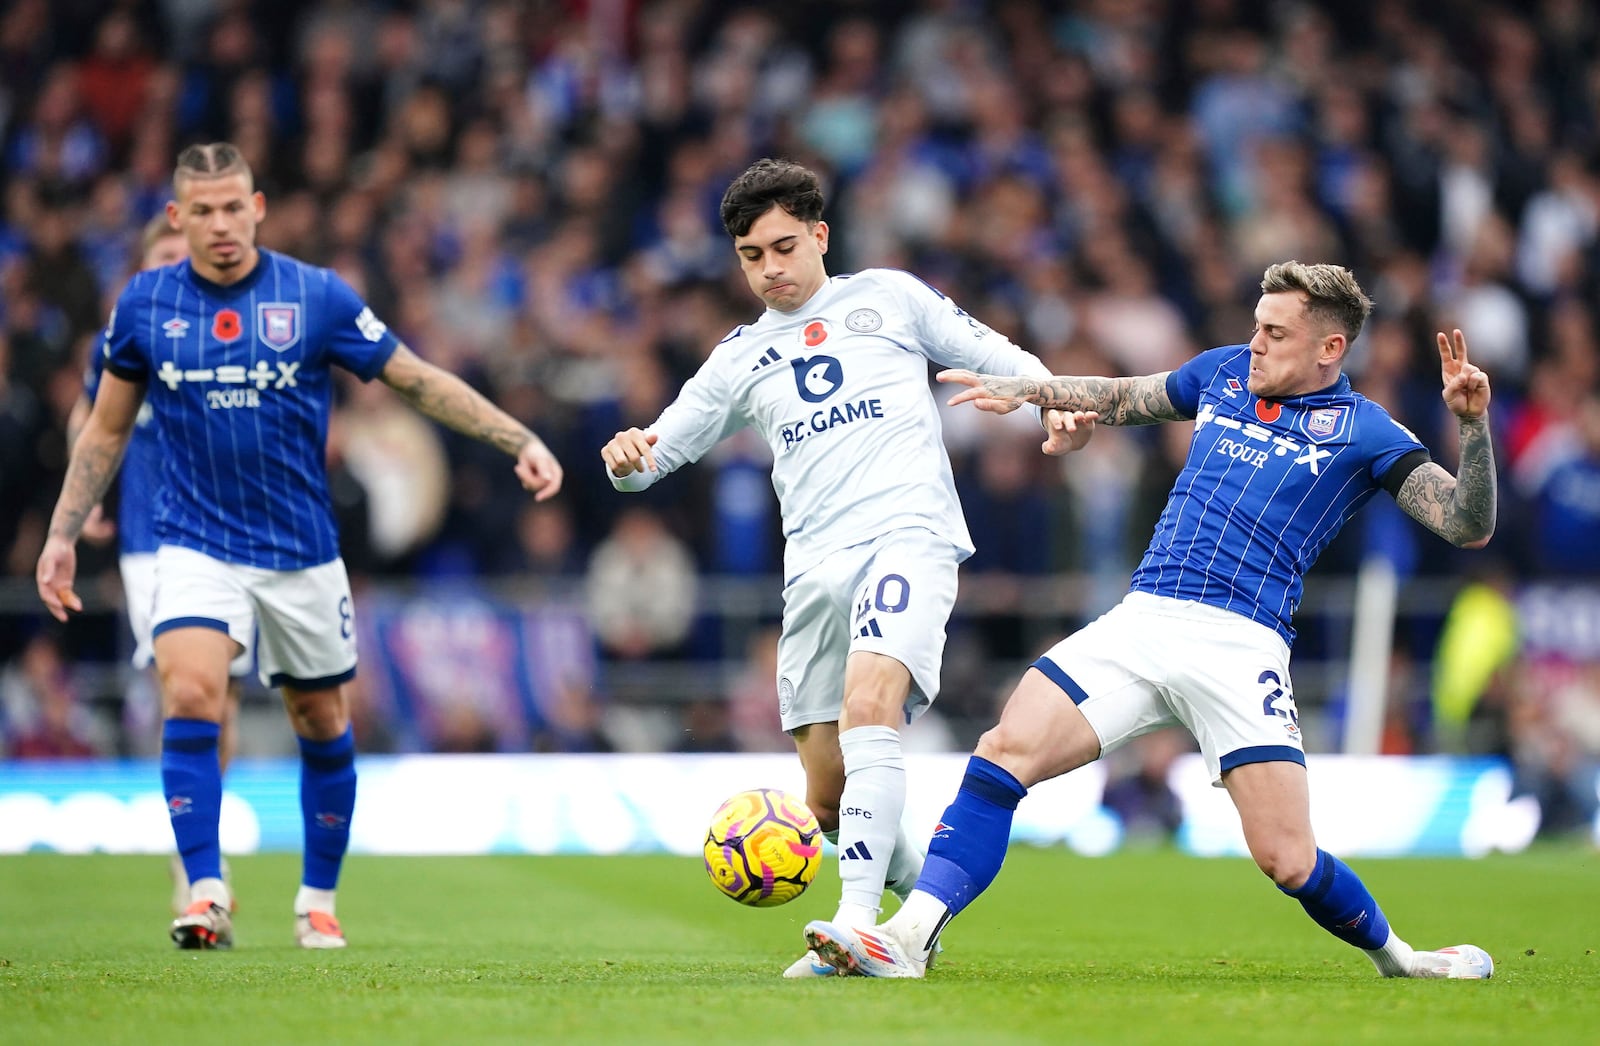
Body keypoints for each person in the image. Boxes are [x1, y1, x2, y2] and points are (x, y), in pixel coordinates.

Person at [803, 261, 1500, 981]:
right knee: (1004, 749)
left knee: (1288, 859)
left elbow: (1465, 523)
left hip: (1241, 642)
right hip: (1146, 616)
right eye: (1256, 327)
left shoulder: (1368, 433)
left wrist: (1473, 427)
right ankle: (909, 937)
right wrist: (1028, 390)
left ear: (1329, 349)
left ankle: (1403, 958)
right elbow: (1120, 397)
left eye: (1274, 332)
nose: (1255, 343)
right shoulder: (1223, 373)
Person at [36, 142, 564, 951]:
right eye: (201, 211)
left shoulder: (312, 296)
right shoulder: (146, 305)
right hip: (194, 542)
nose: (219, 224)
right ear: (178, 217)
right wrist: (63, 533)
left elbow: (414, 377)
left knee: (320, 719)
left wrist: (514, 436)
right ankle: (205, 890)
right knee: (190, 693)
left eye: (232, 207)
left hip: (300, 551)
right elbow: (105, 427)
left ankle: (317, 896)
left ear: (258, 209)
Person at [600, 158, 1093, 978]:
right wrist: (624, 457)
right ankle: (915, 920)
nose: (771, 268)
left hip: (908, 534)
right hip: (815, 570)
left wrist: (1061, 399)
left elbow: (994, 351)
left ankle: (859, 926)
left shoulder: (888, 298)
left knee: (874, 702)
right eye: (752, 255)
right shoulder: (738, 357)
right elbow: (655, 455)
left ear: (820, 235)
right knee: (826, 796)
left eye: (784, 246)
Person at [70, 214, 250, 914]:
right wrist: (82, 498)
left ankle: (195, 849)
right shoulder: (125, 337)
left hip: (237, 540)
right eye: (168, 254)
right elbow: (89, 421)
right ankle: (193, 857)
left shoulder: (237, 334)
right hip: (152, 545)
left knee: (220, 697)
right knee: (187, 694)